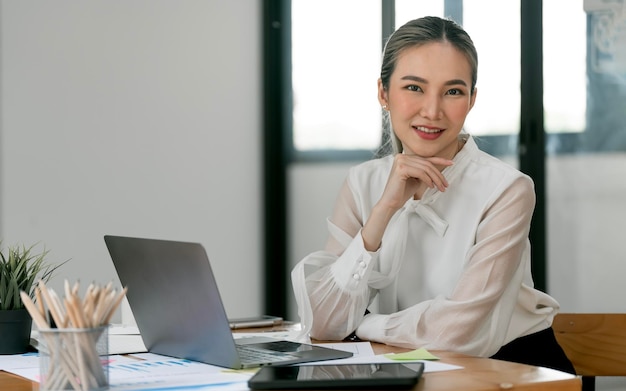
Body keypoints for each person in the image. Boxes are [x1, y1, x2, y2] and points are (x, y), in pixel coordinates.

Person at [291, 16, 575, 374]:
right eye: (414, 87)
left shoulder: (508, 189)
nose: (432, 110)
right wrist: (384, 210)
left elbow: (460, 334)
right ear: (383, 92)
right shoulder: (363, 183)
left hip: (509, 370)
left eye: (453, 91)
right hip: (407, 364)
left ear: (472, 100)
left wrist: (362, 326)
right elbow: (323, 325)